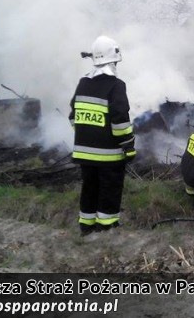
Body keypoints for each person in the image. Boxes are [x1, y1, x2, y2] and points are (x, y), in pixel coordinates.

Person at [69, 35, 136, 236]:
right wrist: (128, 145)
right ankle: (106, 229)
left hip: (84, 153)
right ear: (113, 60)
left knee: (89, 188)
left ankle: (86, 228)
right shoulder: (116, 85)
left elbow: (74, 117)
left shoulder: (83, 83)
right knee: (109, 190)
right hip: (109, 155)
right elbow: (120, 120)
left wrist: (87, 136)